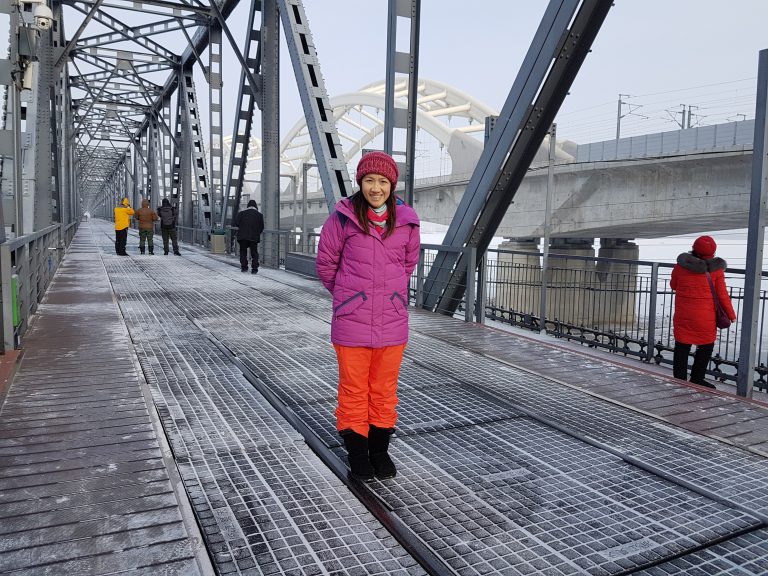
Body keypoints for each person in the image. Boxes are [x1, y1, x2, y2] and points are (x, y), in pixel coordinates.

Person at [316, 151, 420, 482]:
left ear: (392, 185)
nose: (376, 188)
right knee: (354, 388)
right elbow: (326, 265)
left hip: (391, 322)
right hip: (352, 322)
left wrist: (388, 296)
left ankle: (380, 451)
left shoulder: (407, 222)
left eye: (383, 181)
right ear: (360, 183)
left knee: (384, 389)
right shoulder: (342, 220)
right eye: (370, 181)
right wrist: (350, 297)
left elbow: (408, 265)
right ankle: (359, 454)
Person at [670, 235, 736, 389]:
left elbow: (673, 285)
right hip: (705, 317)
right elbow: (722, 295)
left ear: (694, 248)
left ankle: (679, 380)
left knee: (682, 346)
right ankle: (697, 378)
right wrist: (731, 315)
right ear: (712, 253)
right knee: (706, 346)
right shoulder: (716, 271)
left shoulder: (681, 266)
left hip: (683, 315)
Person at [233, 199, 264, 273]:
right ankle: (254, 269)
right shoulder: (259, 215)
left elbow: (236, 223)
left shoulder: (241, 213)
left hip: (242, 237)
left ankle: (244, 267)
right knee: (254, 253)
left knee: (243, 252)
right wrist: (256, 233)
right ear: (256, 206)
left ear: (248, 206)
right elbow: (261, 227)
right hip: (254, 237)